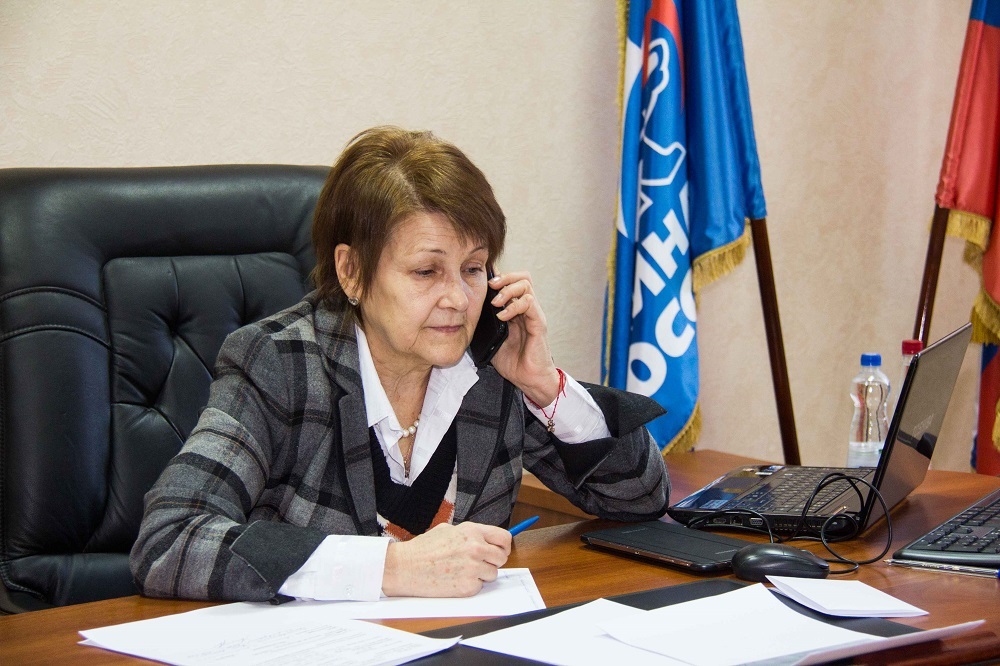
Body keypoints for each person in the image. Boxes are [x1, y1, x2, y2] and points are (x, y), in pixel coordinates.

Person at [130, 126, 670, 602]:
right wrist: (392, 568)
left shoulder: (490, 365)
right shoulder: (281, 363)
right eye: (426, 272)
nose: (458, 299)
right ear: (352, 271)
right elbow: (169, 541)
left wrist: (545, 387)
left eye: (473, 269)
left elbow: (641, 499)